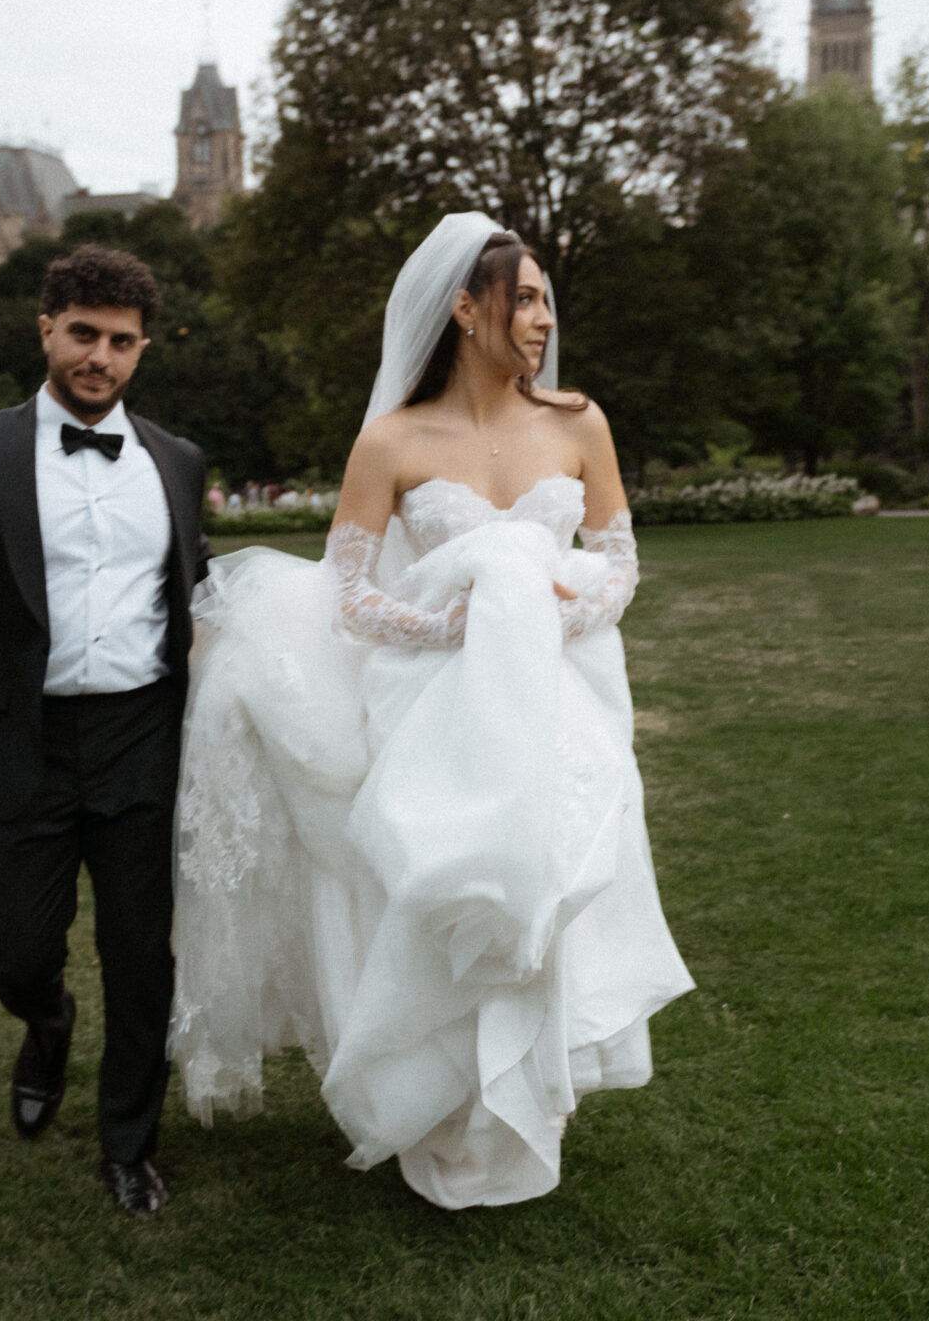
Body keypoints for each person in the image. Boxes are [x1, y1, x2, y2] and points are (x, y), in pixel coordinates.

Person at [171, 213, 692, 1208]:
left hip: (562, 695)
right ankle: (444, 1102)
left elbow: (619, 559)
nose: (542, 319)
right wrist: (451, 626)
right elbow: (349, 595)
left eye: (545, 301)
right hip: (437, 704)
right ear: (463, 308)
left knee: (550, 876)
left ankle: (532, 1095)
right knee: (451, 883)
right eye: (523, 299)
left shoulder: (578, 422)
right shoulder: (392, 441)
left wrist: (562, 612)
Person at [0, 244, 211, 1216]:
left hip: (142, 739)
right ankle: (47, 1023)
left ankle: (128, 1145)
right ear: (45, 331)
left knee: (142, 957)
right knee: (18, 951)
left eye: (121, 341)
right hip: (12, 742)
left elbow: (193, 598)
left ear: (142, 349)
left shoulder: (177, 461)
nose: (99, 357)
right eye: (82, 334)